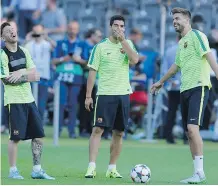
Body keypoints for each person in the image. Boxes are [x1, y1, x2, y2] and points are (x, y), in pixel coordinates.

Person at [150, 7, 218, 184]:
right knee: (189, 132)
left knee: (193, 129)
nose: (174, 22)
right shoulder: (182, 42)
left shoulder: (198, 36)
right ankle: (197, 172)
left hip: (199, 87)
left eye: (178, 18)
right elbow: (175, 66)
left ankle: (200, 173)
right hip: (184, 89)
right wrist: (161, 81)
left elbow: (210, 58)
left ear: (187, 20)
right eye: (173, 19)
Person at [84, 15, 139, 178]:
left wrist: (124, 43)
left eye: (122, 26)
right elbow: (92, 72)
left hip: (123, 94)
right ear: (110, 27)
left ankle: (112, 168)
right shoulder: (100, 47)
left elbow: (135, 60)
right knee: (97, 129)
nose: (119, 28)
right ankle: (91, 166)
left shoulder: (127, 44)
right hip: (105, 94)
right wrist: (88, 96)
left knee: (119, 132)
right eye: (116, 25)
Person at [0, 22, 54, 180]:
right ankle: (13, 170)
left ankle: (37, 169)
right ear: (2, 37)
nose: (12, 32)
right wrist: (25, 75)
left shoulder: (24, 51)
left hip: (29, 100)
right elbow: (7, 80)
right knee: (15, 137)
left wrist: (20, 72)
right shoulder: (2, 55)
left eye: (13, 30)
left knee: (38, 135)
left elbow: (36, 74)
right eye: (8, 31)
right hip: (14, 101)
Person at [52, 21, 85, 138]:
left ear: (78, 30)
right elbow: (53, 61)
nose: (72, 30)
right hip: (61, 75)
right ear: (67, 29)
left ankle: (72, 131)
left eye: (75, 28)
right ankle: (58, 129)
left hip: (76, 76)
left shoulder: (82, 44)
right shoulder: (60, 43)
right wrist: (63, 59)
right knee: (60, 103)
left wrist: (79, 60)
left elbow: (87, 63)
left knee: (73, 104)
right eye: (70, 28)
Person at [24, 24, 56, 120]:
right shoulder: (29, 44)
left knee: (41, 104)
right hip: (31, 76)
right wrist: (28, 38)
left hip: (43, 76)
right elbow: (20, 50)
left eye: (39, 32)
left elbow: (55, 46)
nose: (37, 34)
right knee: (30, 103)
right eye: (35, 31)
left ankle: (38, 125)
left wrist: (45, 36)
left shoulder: (46, 44)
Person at [78, 28, 102, 137]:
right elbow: (77, 58)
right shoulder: (83, 45)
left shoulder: (98, 47)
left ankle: (91, 128)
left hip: (98, 78)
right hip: (86, 78)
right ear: (91, 36)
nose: (100, 38)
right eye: (98, 36)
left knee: (95, 106)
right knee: (86, 105)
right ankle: (83, 128)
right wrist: (89, 64)